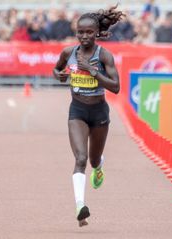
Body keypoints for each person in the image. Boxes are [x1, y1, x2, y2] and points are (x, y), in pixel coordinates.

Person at [53, 5, 122, 227]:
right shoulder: (68, 53)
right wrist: (59, 76)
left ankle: (99, 165)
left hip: (99, 112)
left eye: (89, 32)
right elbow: (56, 69)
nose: (84, 36)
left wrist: (93, 72)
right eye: (80, 32)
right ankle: (80, 206)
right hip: (78, 111)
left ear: (96, 33)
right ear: (76, 33)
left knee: (93, 160)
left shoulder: (104, 55)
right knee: (80, 159)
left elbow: (116, 87)